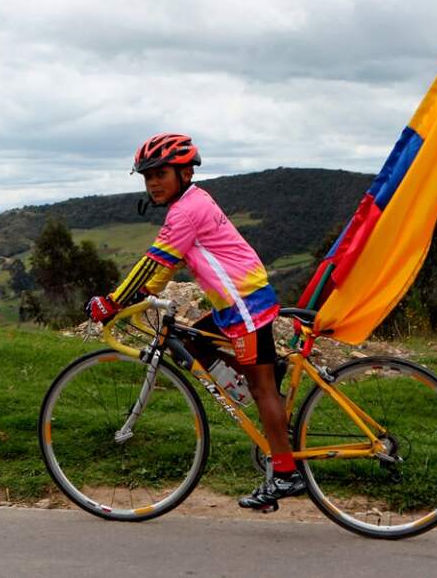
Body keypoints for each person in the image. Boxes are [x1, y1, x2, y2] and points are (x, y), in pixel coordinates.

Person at [85, 132, 306, 511]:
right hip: (238, 301)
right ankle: (273, 375)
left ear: (184, 173)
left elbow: (154, 262)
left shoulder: (187, 210)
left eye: (161, 174)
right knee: (192, 341)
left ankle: (285, 473)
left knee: (261, 389)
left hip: (244, 306)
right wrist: (139, 295)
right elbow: (164, 267)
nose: (153, 182)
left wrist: (113, 301)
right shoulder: (191, 202)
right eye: (147, 176)